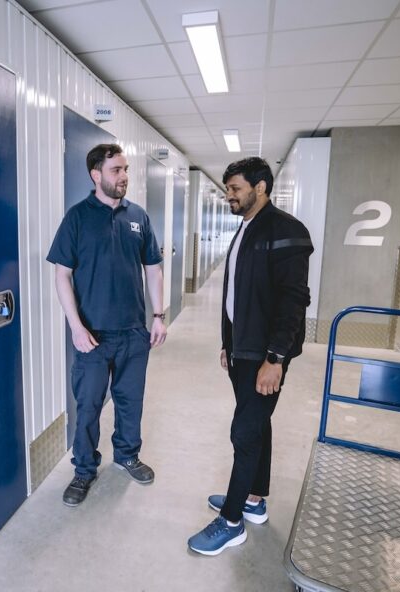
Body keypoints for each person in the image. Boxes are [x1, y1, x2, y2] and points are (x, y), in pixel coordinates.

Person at [188, 157, 312, 555]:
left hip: (264, 354)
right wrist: (228, 344)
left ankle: (231, 521)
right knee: (258, 424)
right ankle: (254, 500)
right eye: (228, 188)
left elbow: (293, 302)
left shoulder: (286, 230)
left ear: (261, 188)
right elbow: (236, 293)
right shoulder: (246, 227)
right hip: (243, 349)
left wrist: (274, 359)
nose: (229, 195)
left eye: (235, 188)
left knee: (244, 431)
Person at [46, 143, 167, 507]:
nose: (124, 176)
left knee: (131, 402)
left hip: (133, 333)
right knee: (88, 407)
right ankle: (84, 470)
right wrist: (76, 327)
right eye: (116, 170)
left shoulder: (138, 216)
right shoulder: (77, 218)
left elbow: (153, 269)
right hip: (92, 335)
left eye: (125, 169)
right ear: (95, 174)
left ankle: (127, 455)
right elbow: (62, 275)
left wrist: (158, 316)